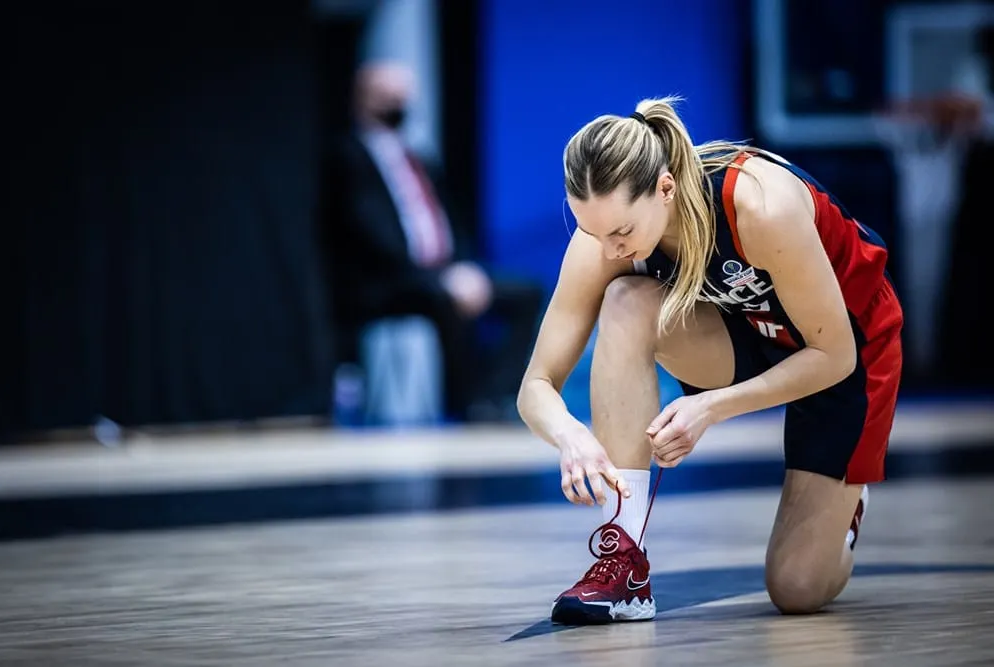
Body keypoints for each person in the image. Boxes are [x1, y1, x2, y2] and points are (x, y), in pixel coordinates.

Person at [516, 96, 903, 624]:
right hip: (743, 329)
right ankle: (623, 561)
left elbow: (833, 354)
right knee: (625, 300)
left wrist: (712, 408)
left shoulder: (761, 205)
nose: (608, 252)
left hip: (845, 348)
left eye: (621, 234)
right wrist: (570, 435)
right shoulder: (603, 238)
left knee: (796, 588)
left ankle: (845, 508)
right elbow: (536, 383)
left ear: (666, 188)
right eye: (592, 232)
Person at [331, 60, 543, 421]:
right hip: (387, 280)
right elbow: (370, 234)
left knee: (528, 293)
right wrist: (441, 279)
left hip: (444, 270)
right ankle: (469, 405)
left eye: (402, 97)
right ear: (363, 99)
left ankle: (496, 393)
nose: (397, 106)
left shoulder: (418, 157)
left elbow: (448, 221)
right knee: (448, 299)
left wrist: (463, 268)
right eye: (387, 97)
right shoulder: (347, 156)